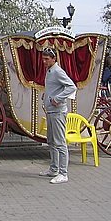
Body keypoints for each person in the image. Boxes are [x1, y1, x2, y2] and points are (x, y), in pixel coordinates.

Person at [39, 47, 77, 184]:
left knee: (60, 142)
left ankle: (63, 172)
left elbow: (71, 87)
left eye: (46, 59)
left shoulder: (57, 71)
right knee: (51, 141)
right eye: (43, 59)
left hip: (58, 111)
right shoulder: (50, 71)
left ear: (54, 59)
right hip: (50, 111)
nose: (44, 61)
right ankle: (54, 168)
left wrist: (58, 98)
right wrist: (48, 95)